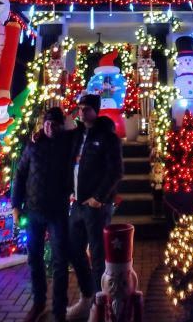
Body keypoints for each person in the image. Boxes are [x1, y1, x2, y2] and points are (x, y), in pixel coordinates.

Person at [12, 106, 74, 322]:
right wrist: (15, 206)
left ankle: (59, 309)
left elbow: (83, 129)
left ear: (60, 125)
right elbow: (19, 175)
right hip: (34, 211)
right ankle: (38, 302)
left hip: (57, 212)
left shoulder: (67, 144)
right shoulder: (33, 145)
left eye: (54, 123)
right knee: (34, 258)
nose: (49, 126)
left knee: (59, 261)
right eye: (46, 122)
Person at [66, 94, 124, 320]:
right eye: (79, 108)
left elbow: (116, 171)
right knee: (74, 249)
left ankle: (101, 305)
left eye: (86, 109)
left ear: (95, 111)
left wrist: (99, 197)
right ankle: (87, 295)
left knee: (99, 255)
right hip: (77, 204)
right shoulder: (77, 135)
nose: (81, 112)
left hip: (96, 206)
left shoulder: (108, 137)